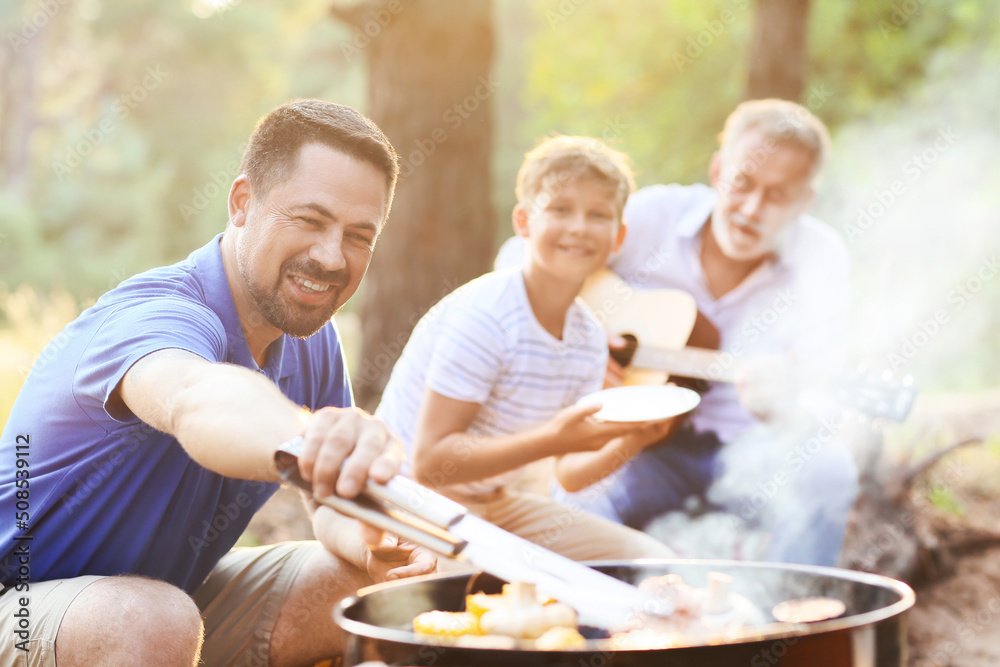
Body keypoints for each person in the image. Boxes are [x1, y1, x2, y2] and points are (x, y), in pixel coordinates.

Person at [0, 99, 437, 667]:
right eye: (309, 220)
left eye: (358, 235)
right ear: (242, 202)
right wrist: (310, 437)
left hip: (170, 603)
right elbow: (197, 398)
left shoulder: (311, 339)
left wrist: (373, 542)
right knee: (151, 622)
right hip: (24, 605)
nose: (331, 257)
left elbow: (328, 502)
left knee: (392, 589)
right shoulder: (158, 315)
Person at [496, 99, 857, 567]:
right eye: (742, 183)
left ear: (805, 201)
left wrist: (786, 405)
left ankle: (789, 631)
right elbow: (517, 256)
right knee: (579, 498)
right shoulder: (654, 218)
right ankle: (592, 635)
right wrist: (578, 347)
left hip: (754, 455)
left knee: (829, 470)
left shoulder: (821, 257)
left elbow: (825, 390)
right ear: (717, 169)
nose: (751, 208)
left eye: (776, 195)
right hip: (640, 449)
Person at [375, 136, 677, 562]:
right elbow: (430, 461)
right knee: (466, 592)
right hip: (410, 499)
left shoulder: (588, 340)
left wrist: (633, 439)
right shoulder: (486, 317)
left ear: (618, 237)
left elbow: (570, 475)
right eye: (559, 209)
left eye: (598, 215)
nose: (578, 227)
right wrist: (552, 438)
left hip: (493, 507)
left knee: (651, 564)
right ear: (523, 221)